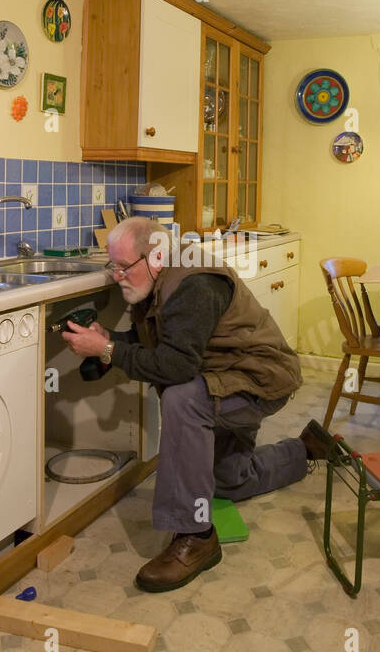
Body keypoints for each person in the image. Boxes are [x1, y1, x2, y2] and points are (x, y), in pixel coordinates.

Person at [61, 217, 316, 592]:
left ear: (157, 256)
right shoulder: (163, 277)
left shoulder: (195, 285)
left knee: (183, 398)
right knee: (230, 481)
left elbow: (176, 367)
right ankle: (305, 448)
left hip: (259, 382)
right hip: (225, 377)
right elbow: (166, 340)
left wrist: (108, 350)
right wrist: (109, 339)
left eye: (123, 266)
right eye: (111, 266)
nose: (116, 276)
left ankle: (196, 536)